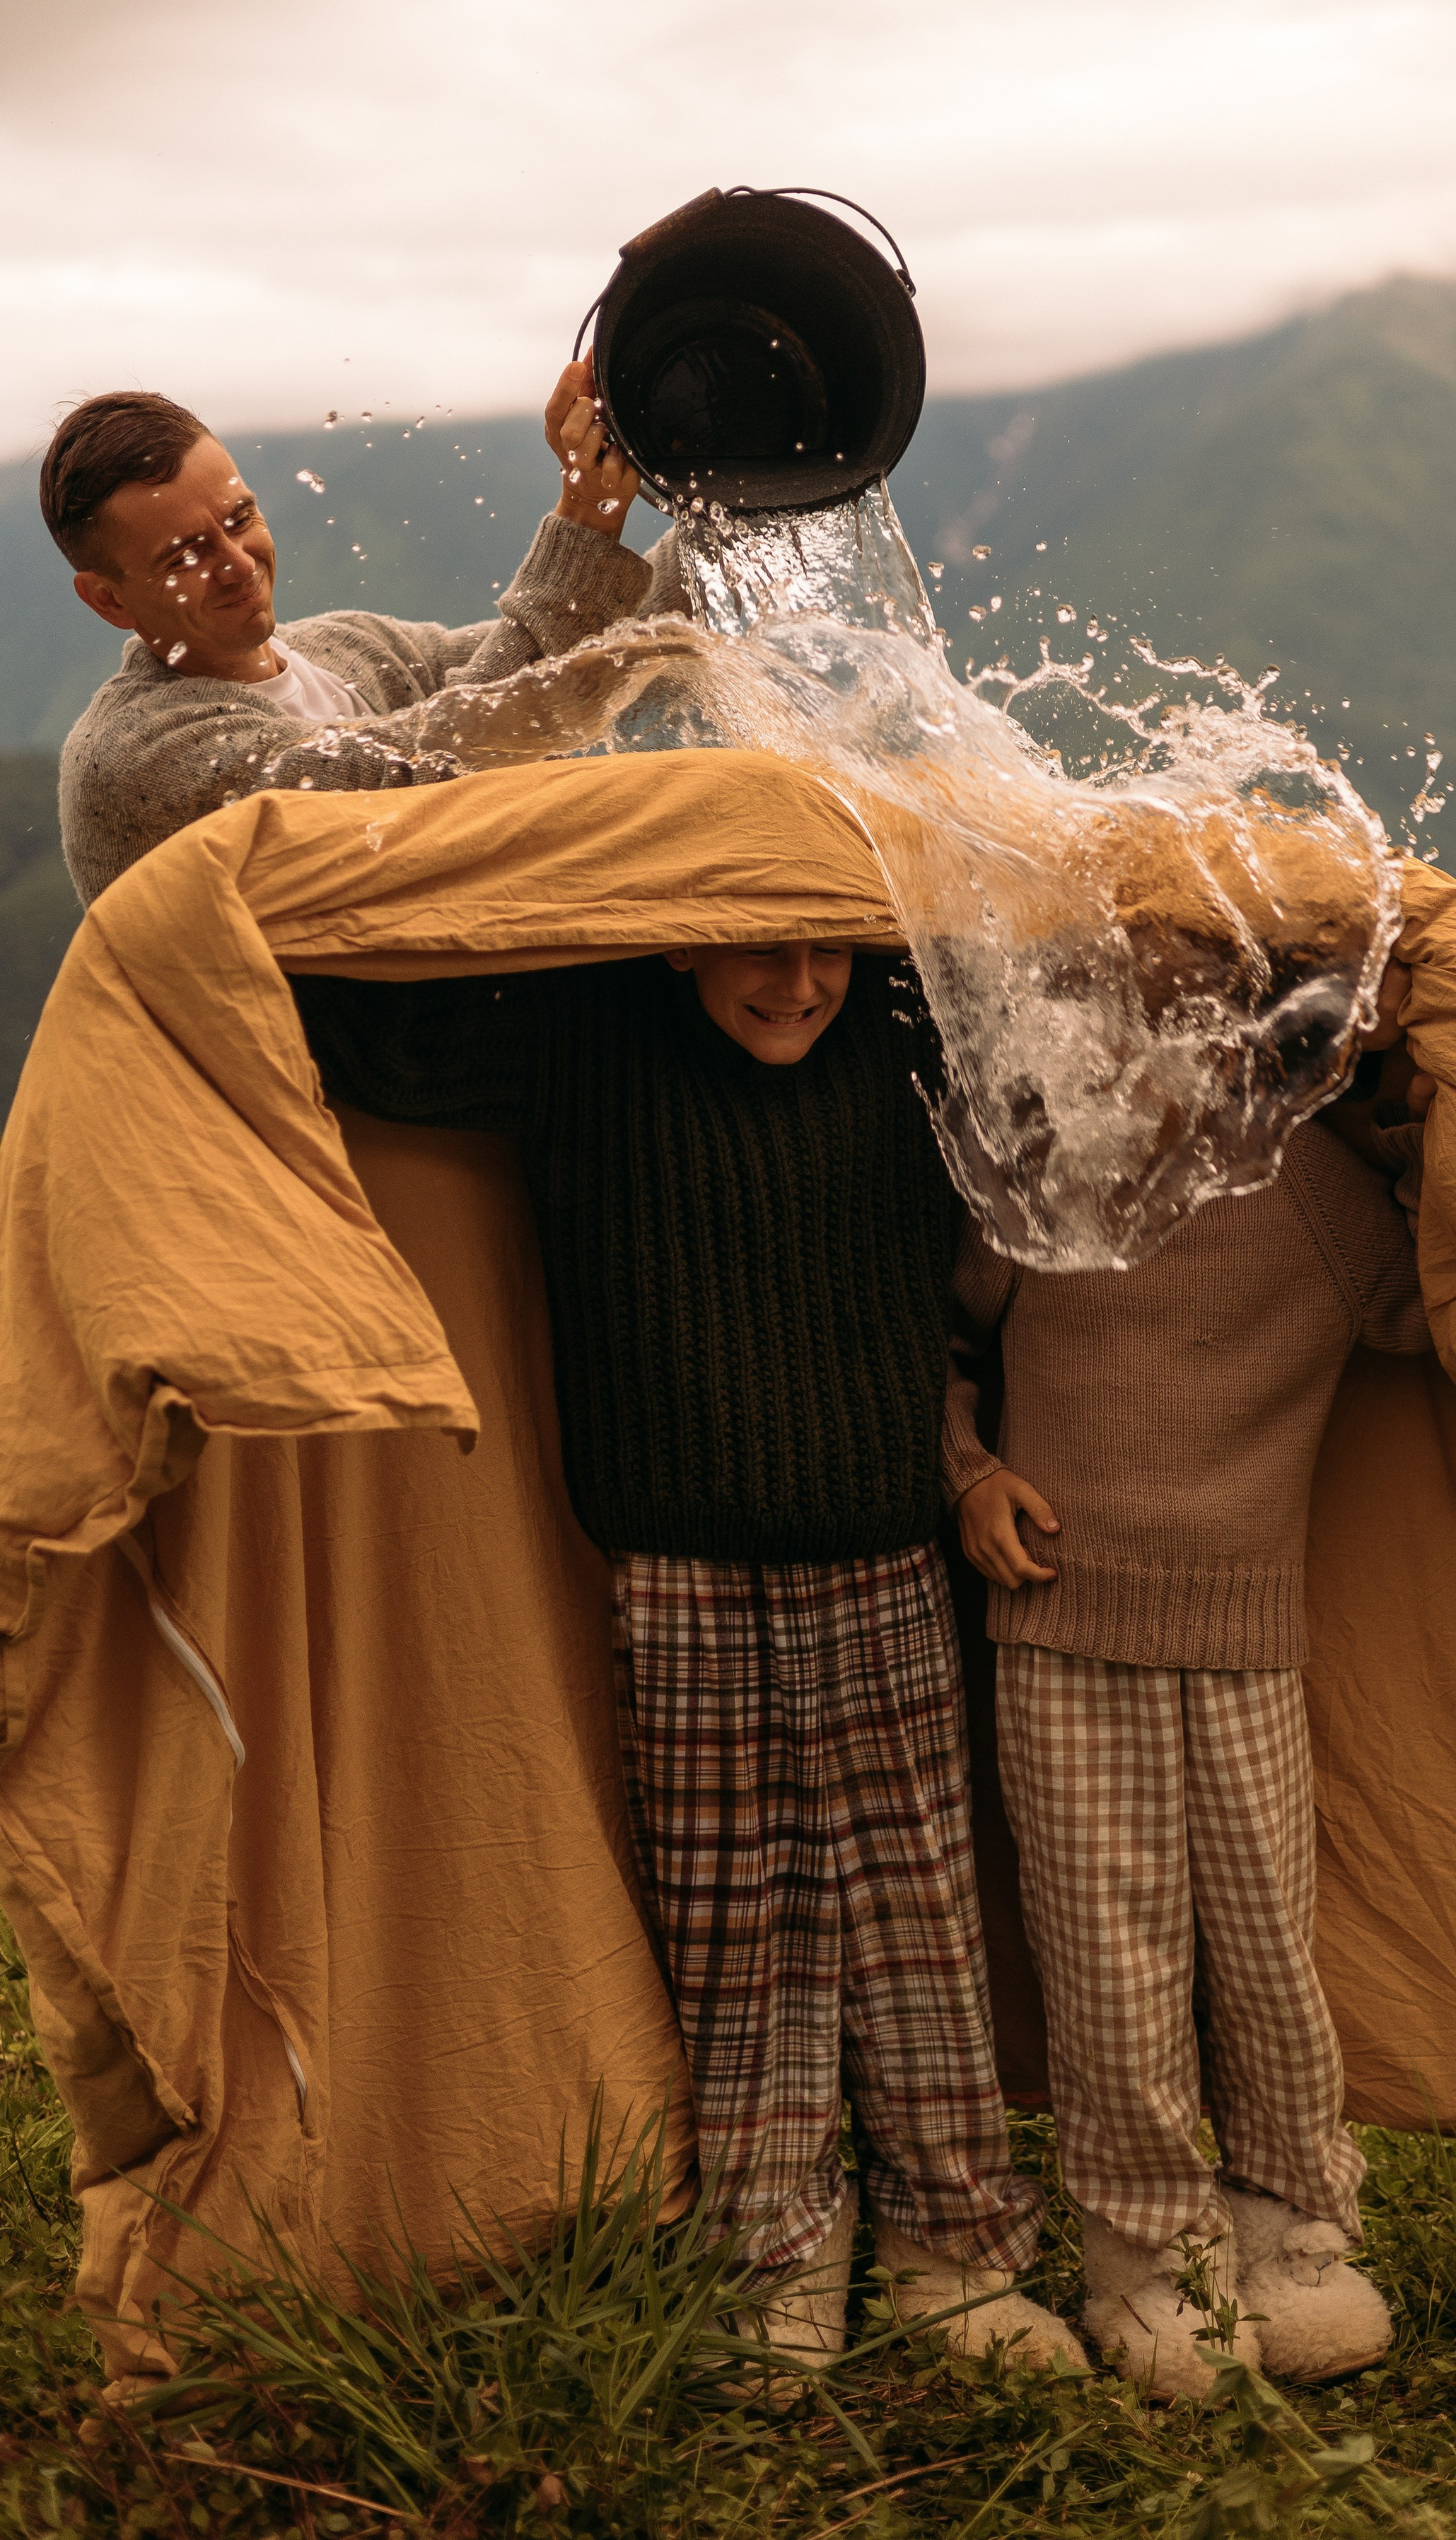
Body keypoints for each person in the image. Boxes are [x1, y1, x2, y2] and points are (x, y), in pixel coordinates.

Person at [292, 936, 1088, 2382]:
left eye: (823, 946)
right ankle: (775, 2259)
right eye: (753, 946)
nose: (795, 982)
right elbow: (378, 1043)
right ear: (674, 934)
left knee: (916, 1925)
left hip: (883, 1558)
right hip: (679, 1577)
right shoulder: (582, 1024)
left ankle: (955, 2255)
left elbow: (1084, 1040)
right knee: (733, 1940)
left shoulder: (909, 1030)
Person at [947, 968, 1435, 2396]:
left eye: (1200, 1011)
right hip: (1056, 1629)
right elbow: (930, 1341)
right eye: (1126, 1007)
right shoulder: (1043, 1180)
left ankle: (1295, 2229)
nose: (1161, 1047)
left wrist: (1409, 1096)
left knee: (1267, 1956)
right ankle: (1148, 2258)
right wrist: (966, 1473)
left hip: (1244, 1645)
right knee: (1110, 1967)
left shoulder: (1312, 1191)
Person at [41, 368, 685, 908]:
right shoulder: (136, 757)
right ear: (108, 598)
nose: (237, 563)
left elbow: (595, 650)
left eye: (240, 519)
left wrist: (717, 496)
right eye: (186, 555)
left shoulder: (350, 645)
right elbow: (435, 779)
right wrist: (586, 514)